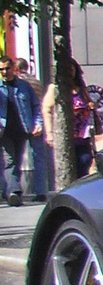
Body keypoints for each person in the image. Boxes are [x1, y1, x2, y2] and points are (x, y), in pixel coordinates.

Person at [41, 57, 100, 180]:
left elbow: (89, 103)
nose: (69, 72)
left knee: (85, 161)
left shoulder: (81, 88)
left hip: (82, 135)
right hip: (64, 134)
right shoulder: (55, 88)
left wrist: (91, 106)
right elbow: (46, 109)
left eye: (72, 69)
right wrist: (50, 133)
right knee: (68, 165)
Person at [0, 56, 43, 205]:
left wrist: (38, 123)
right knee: (9, 161)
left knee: (17, 161)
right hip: (4, 130)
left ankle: (9, 190)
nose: (4, 72)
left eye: (6, 68)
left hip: (22, 128)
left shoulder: (24, 86)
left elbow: (36, 106)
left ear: (13, 68)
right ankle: (14, 192)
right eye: (1, 70)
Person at [15, 58, 48, 200]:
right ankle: (40, 190)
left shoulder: (20, 83)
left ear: (15, 69)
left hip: (22, 123)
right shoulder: (37, 81)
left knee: (15, 157)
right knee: (39, 158)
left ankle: (14, 189)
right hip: (38, 122)